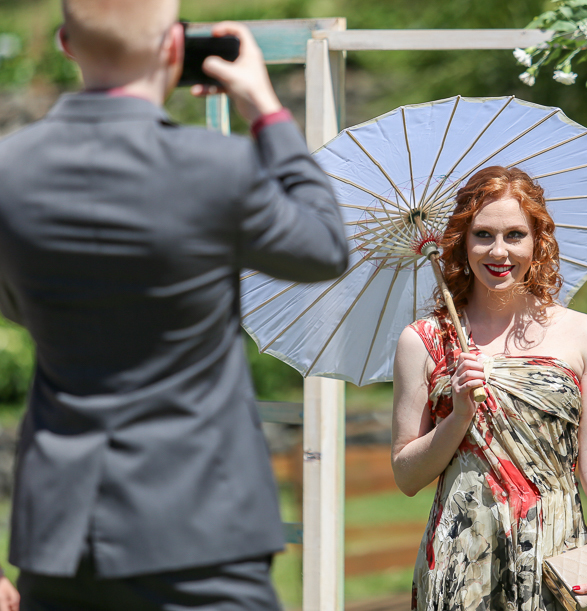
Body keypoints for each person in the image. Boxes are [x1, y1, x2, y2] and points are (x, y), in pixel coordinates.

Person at [0, 0, 348, 608]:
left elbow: (16, 303)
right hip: (202, 530)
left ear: (66, 43)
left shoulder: (10, 170)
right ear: (172, 48)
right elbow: (324, 248)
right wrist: (265, 111)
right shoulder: (219, 167)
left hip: (61, 537)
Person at [391, 166, 587, 611]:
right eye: (483, 235)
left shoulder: (582, 334)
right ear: (461, 241)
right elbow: (406, 475)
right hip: (461, 562)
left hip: (556, 553)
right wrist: (460, 414)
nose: (499, 251)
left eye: (514, 235)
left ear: (538, 241)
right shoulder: (424, 341)